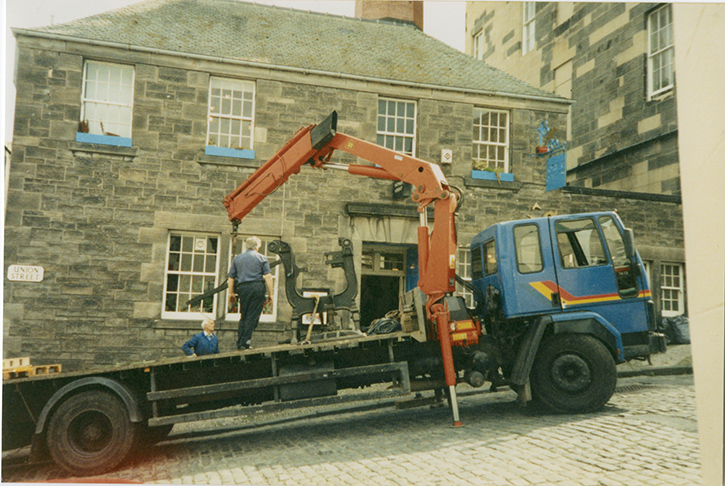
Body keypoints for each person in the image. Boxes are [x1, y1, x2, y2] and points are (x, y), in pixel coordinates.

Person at [228, 236, 274, 350]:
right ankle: (245, 342)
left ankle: (240, 342)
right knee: (252, 316)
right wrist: (271, 294)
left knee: (244, 315)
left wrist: (231, 293)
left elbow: (230, 277)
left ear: (246, 246)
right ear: (257, 246)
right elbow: (268, 276)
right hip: (256, 287)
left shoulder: (237, 258)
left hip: (243, 288)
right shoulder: (262, 258)